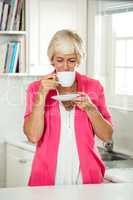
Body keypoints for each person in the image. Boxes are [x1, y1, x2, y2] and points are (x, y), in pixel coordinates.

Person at [23, 29, 113, 186]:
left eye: (71, 60)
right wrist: (42, 95)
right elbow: (33, 136)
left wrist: (91, 109)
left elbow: (107, 136)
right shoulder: (36, 88)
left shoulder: (94, 86)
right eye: (59, 60)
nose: (65, 67)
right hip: (46, 179)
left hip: (88, 180)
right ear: (52, 60)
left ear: (78, 61)